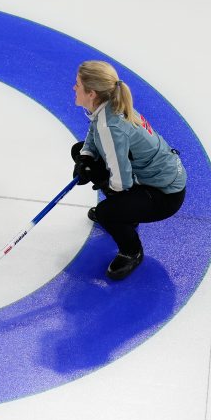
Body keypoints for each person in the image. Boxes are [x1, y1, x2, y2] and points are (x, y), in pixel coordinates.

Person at [71, 60, 187, 280]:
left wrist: (95, 176)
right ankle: (127, 214)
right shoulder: (110, 106)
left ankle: (131, 251)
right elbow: (94, 133)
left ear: (92, 93)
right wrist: (85, 157)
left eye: (77, 84)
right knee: (80, 152)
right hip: (153, 180)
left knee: (107, 213)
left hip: (165, 195)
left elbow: (121, 182)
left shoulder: (110, 126)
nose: (73, 88)